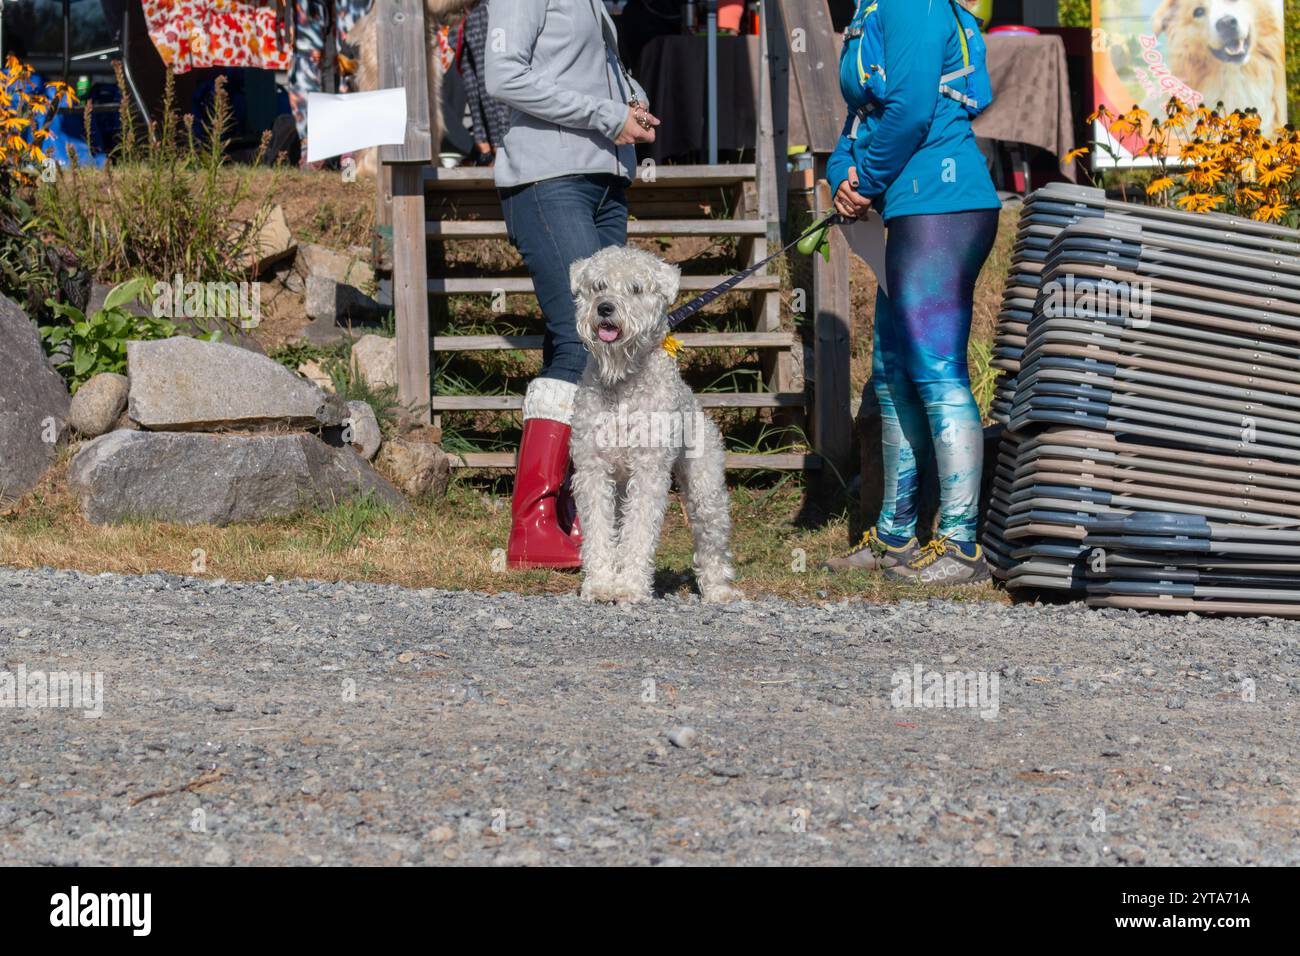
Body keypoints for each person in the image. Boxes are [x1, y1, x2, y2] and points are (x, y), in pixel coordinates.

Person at [822, 0, 1001, 585]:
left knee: (936, 369)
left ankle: (960, 543)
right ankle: (895, 534)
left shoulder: (912, 4)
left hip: (943, 203)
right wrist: (842, 176)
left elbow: (910, 111)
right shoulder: (870, 7)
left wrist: (865, 181)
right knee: (893, 371)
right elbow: (861, 118)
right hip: (903, 205)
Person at [487, 0, 660, 569]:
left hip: (605, 180)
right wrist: (607, 116)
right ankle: (532, 526)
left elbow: (581, 68)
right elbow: (503, 74)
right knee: (583, 335)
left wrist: (629, 94)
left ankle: (572, 512)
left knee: (593, 345)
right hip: (549, 177)